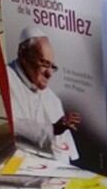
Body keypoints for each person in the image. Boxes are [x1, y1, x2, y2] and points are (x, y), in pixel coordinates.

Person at [7, 27, 81, 163]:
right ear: (23, 56)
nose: (49, 74)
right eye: (43, 63)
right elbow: (11, 126)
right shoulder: (8, 78)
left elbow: (66, 152)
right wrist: (53, 128)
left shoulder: (52, 99)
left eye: (52, 67)